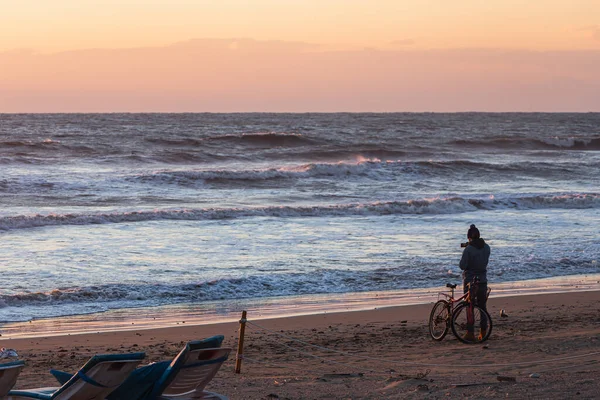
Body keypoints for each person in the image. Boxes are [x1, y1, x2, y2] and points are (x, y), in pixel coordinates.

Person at [459, 224, 491, 341]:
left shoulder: (468, 249)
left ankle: (470, 332)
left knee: (470, 307)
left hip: (470, 281)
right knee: (482, 307)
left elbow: (462, 266)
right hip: (482, 280)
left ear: (469, 238)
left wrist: (468, 249)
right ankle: (483, 332)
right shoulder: (487, 248)